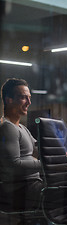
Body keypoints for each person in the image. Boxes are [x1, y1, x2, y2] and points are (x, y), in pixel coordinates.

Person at [0, 78, 43, 210]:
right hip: (21, 190)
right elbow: (13, 165)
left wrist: (56, 152)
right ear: (9, 100)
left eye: (29, 98)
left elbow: (39, 148)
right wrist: (44, 164)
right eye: (23, 98)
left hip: (31, 186)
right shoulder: (7, 128)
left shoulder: (21, 128)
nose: (29, 102)